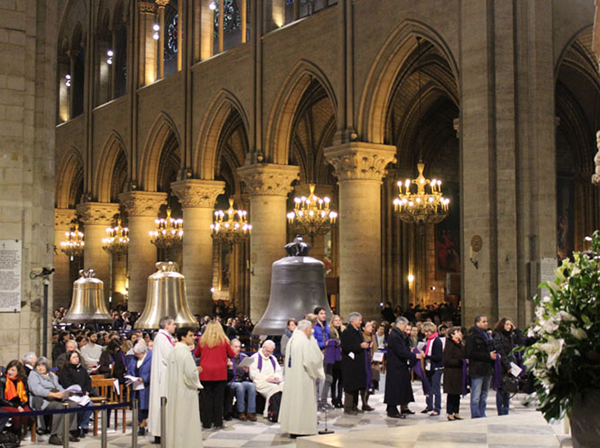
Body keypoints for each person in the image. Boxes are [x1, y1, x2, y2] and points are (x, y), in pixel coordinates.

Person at [279, 320, 325, 437]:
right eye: (310, 330)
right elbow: (310, 361)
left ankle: (292, 428)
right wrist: (317, 370)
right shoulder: (304, 341)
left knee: (294, 401)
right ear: (306, 330)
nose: (311, 332)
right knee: (302, 401)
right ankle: (302, 429)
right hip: (303, 378)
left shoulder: (293, 340)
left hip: (292, 377)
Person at [165, 327, 203, 448]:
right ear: (183, 337)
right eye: (191, 335)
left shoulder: (173, 352)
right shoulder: (185, 354)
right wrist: (197, 372)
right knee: (186, 420)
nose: (193, 338)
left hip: (174, 391)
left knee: (175, 420)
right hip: (185, 392)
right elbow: (190, 375)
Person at [28, 357, 79, 445]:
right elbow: (36, 390)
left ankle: (68, 431)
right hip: (43, 400)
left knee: (73, 404)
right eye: (38, 366)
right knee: (59, 407)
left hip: (56, 398)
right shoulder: (33, 375)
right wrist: (53, 394)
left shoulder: (52, 375)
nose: (40, 368)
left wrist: (67, 392)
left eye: (43, 365)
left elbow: (59, 387)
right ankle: (54, 435)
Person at [194, 320, 236, 429]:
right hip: (220, 373)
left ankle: (207, 423)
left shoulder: (202, 341)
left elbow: (196, 354)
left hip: (205, 373)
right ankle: (218, 422)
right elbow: (231, 354)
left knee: (206, 399)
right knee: (218, 399)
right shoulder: (224, 341)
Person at [384, 317, 422, 418]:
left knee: (403, 387)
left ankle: (403, 407)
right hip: (395, 366)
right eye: (405, 326)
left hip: (401, 365)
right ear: (400, 324)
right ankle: (392, 410)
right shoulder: (394, 336)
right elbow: (400, 351)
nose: (406, 328)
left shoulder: (399, 335)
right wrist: (414, 356)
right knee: (395, 387)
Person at [148, 316, 176, 444]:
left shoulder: (163, 338)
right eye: (173, 324)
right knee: (162, 402)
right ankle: (161, 433)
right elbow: (169, 357)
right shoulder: (162, 338)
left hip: (164, 374)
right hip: (163, 376)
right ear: (166, 326)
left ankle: (162, 432)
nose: (175, 327)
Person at [465, 315, 497, 418]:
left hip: (487, 369)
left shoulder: (487, 335)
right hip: (477, 369)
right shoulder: (472, 336)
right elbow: (469, 353)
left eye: (486, 321)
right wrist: (488, 356)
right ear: (477, 323)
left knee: (484, 395)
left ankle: (482, 414)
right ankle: (476, 416)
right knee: (476, 396)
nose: (486, 323)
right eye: (484, 321)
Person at [493, 317, 524, 415]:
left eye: (510, 324)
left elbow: (522, 341)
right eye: (507, 324)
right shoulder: (497, 336)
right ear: (502, 324)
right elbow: (501, 352)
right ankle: (500, 411)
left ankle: (506, 410)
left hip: (510, 363)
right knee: (501, 389)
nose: (509, 326)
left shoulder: (511, 335)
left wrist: (516, 330)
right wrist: (508, 367)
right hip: (502, 365)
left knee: (508, 388)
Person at [340, 312, 370, 415]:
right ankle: (348, 407)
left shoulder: (358, 331)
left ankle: (354, 405)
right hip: (350, 364)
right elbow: (346, 347)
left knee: (357, 385)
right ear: (353, 321)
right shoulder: (347, 332)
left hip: (358, 362)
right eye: (359, 320)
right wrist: (360, 346)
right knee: (350, 385)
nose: (361, 322)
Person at [58, 351, 94, 436]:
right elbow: (66, 383)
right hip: (71, 395)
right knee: (77, 407)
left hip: (82, 395)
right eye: (74, 357)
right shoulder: (65, 370)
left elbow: (88, 381)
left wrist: (86, 391)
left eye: (77, 357)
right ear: (69, 359)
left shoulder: (82, 369)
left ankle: (84, 426)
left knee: (90, 405)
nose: (76, 359)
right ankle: (76, 427)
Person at [249, 340, 284, 418]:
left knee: (283, 386)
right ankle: (270, 412)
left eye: (271, 352)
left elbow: (278, 370)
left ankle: (282, 412)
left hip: (273, 381)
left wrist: (276, 376)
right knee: (274, 389)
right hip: (261, 382)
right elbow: (253, 374)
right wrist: (266, 378)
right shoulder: (255, 357)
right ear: (263, 348)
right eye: (268, 351)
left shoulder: (273, 358)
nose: (269, 353)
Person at [226, 338, 257, 422]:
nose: (238, 349)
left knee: (252, 386)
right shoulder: (227, 358)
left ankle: (251, 412)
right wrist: (230, 367)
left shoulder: (243, 357)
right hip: (231, 381)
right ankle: (241, 411)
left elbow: (246, 375)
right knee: (240, 386)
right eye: (236, 347)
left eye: (239, 347)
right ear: (231, 347)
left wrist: (246, 371)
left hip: (241, 380)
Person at [0, 360, 32, 438]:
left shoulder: (22, 380)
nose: (10, 372)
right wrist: (16, 406)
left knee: (26, 412)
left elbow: (25, 396)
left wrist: (21, 405)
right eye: (9, 369)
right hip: (7, 404)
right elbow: (1, 399)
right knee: (16, 415)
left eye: (13, 370)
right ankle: (14, 433)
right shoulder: (2, 380)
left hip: (20, 403)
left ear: (18, 372)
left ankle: (17, 432)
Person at [127, 340, 152, 435]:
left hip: (146, 387)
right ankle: (140, 423)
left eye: (138, 354)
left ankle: (143, 425)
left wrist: (144, 378)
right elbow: (130, 368)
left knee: (144, 407)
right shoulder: (134, 358)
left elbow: (152, 372)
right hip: (136, 386)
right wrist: (130, 376)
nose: (136, 356)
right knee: (136, 405)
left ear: (143, 352)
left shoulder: (151, 357)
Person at [443, 326, 466, 420]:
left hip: (459, 372)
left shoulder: (460, 344)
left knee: (457, 394)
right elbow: (447, 360)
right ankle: (449, 412)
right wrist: (460, 361)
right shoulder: (449, 344)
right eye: (457, 332)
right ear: (452, 334)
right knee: (451, 394)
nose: (460, 333)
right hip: (451, 373)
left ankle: (456, 412)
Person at [422, 322, 443, 416]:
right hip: (428, 367)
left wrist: (426, 356)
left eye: (427, 332)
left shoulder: (437, 341)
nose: (426, 334)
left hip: (436, 367)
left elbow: (438, 357)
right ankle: (429, 405)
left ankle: (437, 408)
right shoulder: (428, 340)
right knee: (428, 387)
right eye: (425, 332)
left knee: (436, 388)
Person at [313, 307, 331, 410]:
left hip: (326, 353)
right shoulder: (315, 327)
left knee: (326, 378)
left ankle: (323, 401)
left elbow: (327, 337)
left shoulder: (325, 326)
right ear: (316, 315)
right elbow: (313, 342)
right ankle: (315, 401)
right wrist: (324, 343)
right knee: (317, 379)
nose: (323, 315)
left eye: (324, 313)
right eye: (321, 313)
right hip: (318, 353)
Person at [325, 315, 344, 408]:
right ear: (332, 322)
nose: (337, 322)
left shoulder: (343, 330)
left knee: (342, 380)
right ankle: (334, 398)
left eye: (339, 320)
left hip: (342, 358)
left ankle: (340, 398)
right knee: (334, 380)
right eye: (335, 320)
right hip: (334, 358)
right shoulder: (331, 331)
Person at [360, 320, 375, 411]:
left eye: (371, 325)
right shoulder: (362, 336)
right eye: (368, 326)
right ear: (363, 328)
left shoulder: (373, 336)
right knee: (365, 382)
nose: (371, 327)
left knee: (372, 382)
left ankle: (367, 402)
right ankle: (364, 403)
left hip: (374, 362)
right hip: (365, 362)